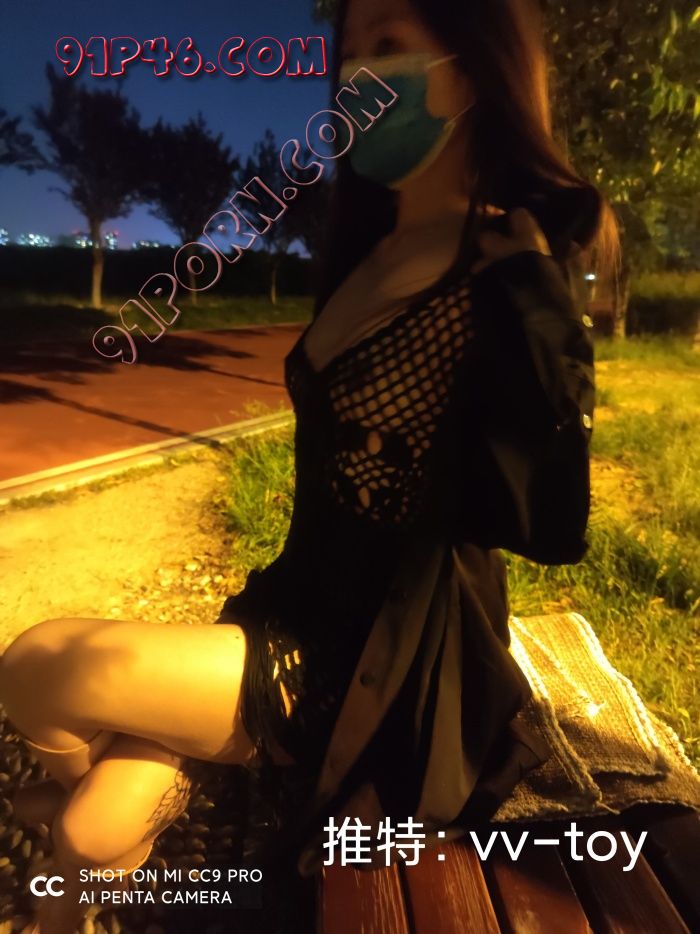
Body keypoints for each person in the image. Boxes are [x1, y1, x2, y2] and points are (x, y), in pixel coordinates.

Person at [0, 0, 618, 928]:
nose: (359, 75)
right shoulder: (372, 250)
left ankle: (107, 794)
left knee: (37, 665)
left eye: (389, 45)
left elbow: (551, 523)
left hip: (362, 668)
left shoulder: (496, 269)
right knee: (89, 836)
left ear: (470, 69)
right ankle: (104, 843)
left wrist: (537, 303)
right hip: (282, 607)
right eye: (350, 50)